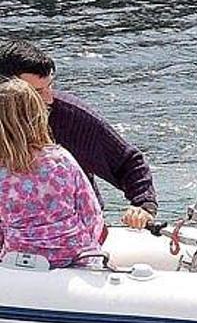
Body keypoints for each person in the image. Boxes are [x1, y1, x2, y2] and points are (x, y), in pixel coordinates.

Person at [0, 39, 157, 230]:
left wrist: (143, 206)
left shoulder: (71, 117)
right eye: (37, 92)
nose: (48, 99)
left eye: (50, 86)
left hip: (75, 235)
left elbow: (128, 162)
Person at [0, 78, 104, 267]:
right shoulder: (60, 159)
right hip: (74, 257)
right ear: (39, 115)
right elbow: (91, 213)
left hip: (16, 260)